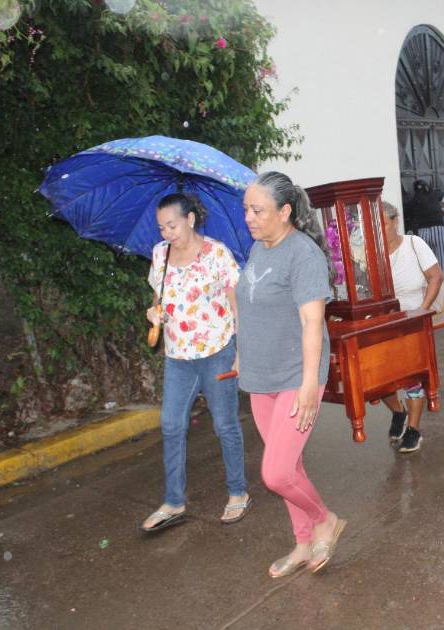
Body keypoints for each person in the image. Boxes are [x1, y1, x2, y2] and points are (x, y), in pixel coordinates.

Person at [236, 171, 347, 578]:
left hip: (295, 378)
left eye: (257, 210)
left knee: (276, 472)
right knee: (290, 467)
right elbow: (251, 305)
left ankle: (325, 520)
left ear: (284, 212)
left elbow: (312, 323)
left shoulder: (303, 255)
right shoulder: (258, 248)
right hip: (260, 377)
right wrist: (240, 353)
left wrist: (308, 385)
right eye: (246, 209)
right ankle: (302, 543)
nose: (248, 217)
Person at [141, 193, 250, 532]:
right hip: (178, 357)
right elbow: (159, 298)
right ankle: (174, 500)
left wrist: (241, 351)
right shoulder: (160, 253)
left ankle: (238, 492)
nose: (167, 233)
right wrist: (154, 314)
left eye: (172, 225)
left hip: (217, 351)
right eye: (161, 227)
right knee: (171, 425)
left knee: (225, 424)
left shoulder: (216, 253)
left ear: (190, 219)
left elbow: (236, 303)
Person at [380, 201, 443, 453]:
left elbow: (435, 277)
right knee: (380, 379)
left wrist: (422, 310)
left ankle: (414, 429)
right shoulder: (371, 253)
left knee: (413, 380)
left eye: (384, 223)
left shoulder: (414, 244)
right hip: (383, 324)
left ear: (395, 222)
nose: (380, 230)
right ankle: (398, 412)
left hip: (413, 322)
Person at [404, 179, 444, 292]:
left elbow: (408, 212)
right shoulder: (435, 195)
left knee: (426, 263)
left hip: (423, 232)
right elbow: (442, 197)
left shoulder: (414, 200)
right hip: (439, 230)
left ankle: (430, 289)